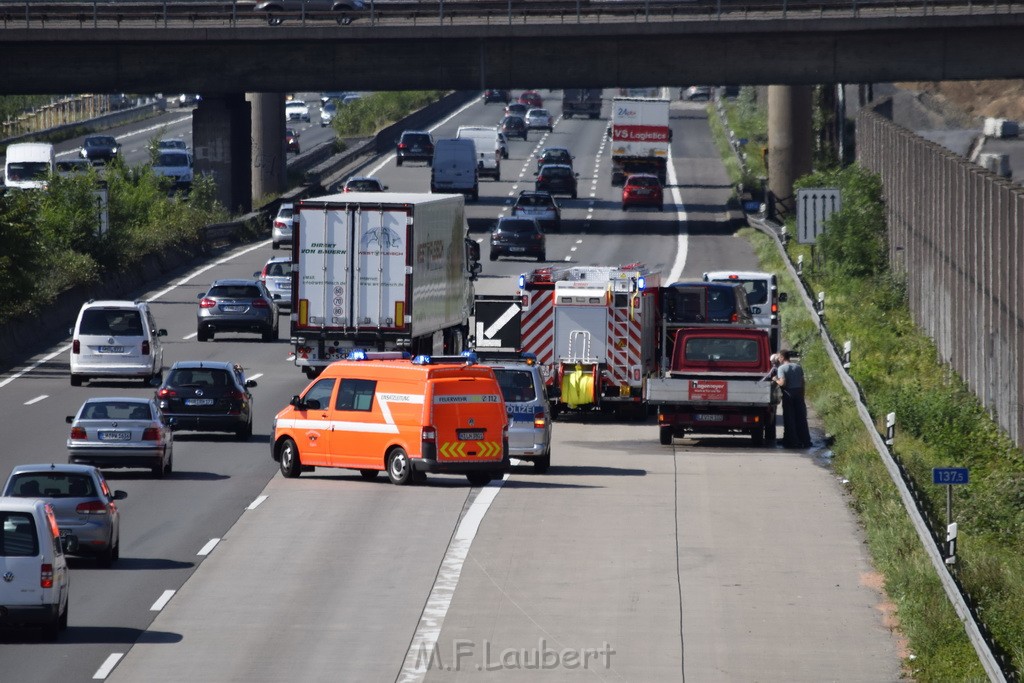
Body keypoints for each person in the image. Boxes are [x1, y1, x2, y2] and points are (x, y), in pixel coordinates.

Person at [774, 349, 811, 448]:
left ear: (782, 357)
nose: (778, 359)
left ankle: (791, 440)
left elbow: (783, 383)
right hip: (798, 392)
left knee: (789, 417)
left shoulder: (782, 368)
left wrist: (775, 379)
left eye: (778, 357)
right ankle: (805, 439)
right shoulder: (798, 367)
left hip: (788, 394)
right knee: (801, 417)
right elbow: (803, 382)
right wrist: (802, 394)